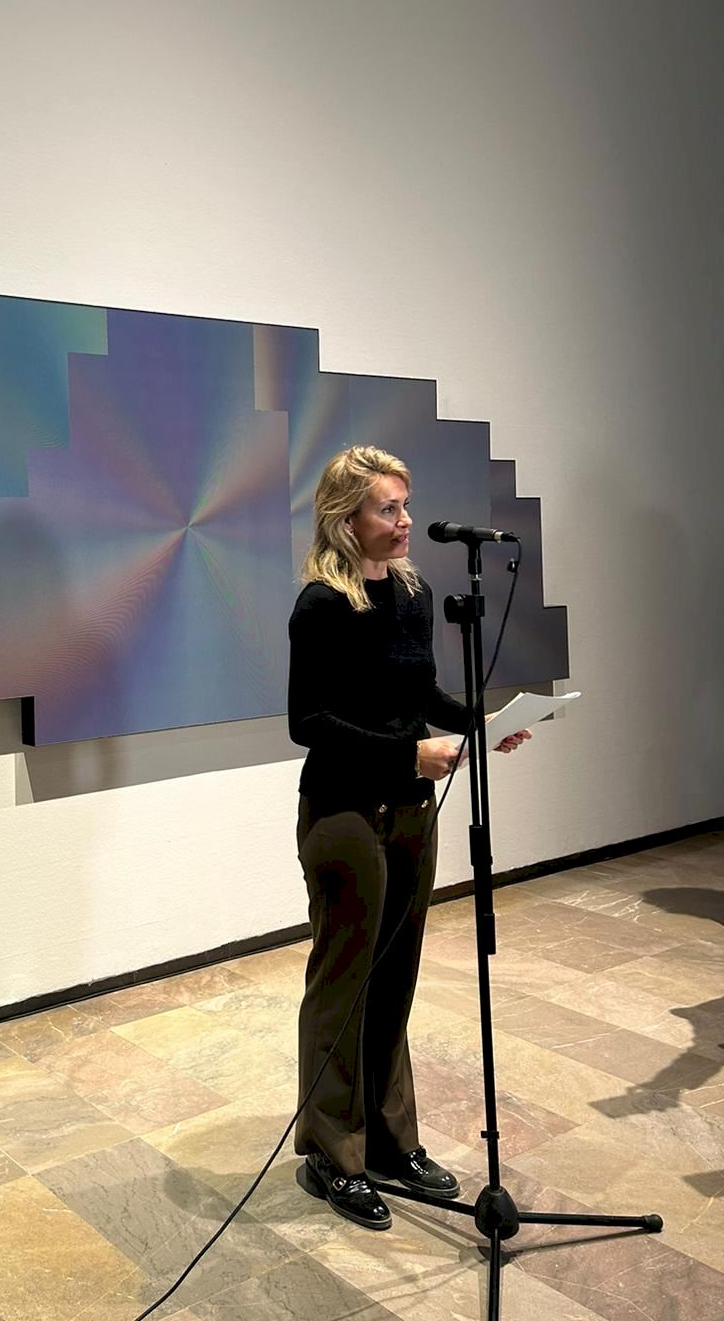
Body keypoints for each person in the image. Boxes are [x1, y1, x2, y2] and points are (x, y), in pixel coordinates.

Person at [288, 445, 528, 1230]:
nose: (404, 521)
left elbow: (419, 692)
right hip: (345, 814)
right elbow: (308, 722)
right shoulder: (322, 605)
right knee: (346, 983)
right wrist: (405, 755)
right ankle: (333, 1152)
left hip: (412, 811)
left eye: (404, 504)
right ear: (346, 518)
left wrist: (481, 724)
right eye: (387, 508)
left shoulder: (414, 593)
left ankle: (392, 1141)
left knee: (395, 979)